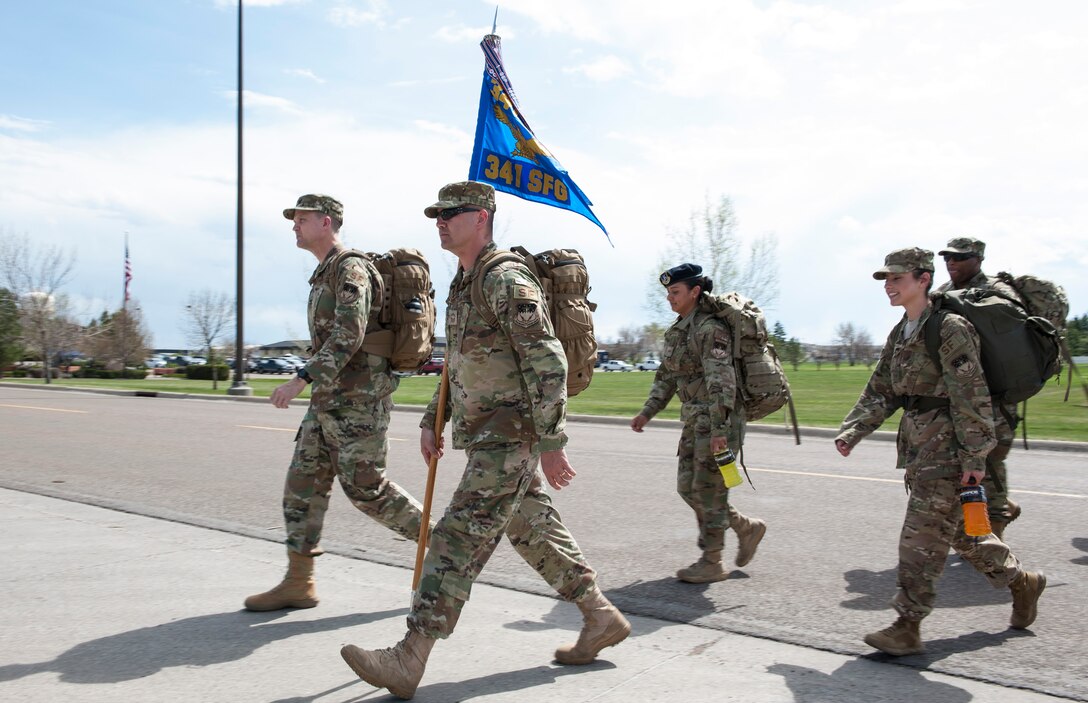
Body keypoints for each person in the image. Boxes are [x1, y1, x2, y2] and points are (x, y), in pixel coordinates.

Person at [340, 181, 629, 699]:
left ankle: (410, 656)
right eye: (437, 214)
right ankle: (599, 615)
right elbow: (460, 364)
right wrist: (434, 417)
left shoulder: (505, 278)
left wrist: (552, 439)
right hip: (488, 434)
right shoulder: (463, 281)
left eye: (452, 213)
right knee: (531, 528)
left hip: (511, 436)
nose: (441, 221)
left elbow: (547, 361)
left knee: (456, 539)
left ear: (483, 217)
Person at [835, 247, 1045, 656]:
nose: (890, 286)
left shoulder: (949, 328)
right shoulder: (902, 332)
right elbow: (883, 388)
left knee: (920, 538)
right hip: (919, 449)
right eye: (886, 280)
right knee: (963, 537)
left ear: (923, 279)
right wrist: (854, 430)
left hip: (949, 449)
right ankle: (1023, 583)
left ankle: (906, 625)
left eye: (897, 278)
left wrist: (973, 458)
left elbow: (972, 396)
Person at [243, 194, 428, 611]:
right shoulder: (324, 272)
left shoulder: (351, 268)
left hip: (359, 400)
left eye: (301, 219)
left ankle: (444, 549)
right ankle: (298, 581)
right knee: (302, 487)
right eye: (294, 219)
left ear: (326, 223)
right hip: (330, 400)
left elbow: (350, 334)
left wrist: (300, 379)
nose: (294, 225)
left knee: (367, 491)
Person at [630, 264, 766, 583]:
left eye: (675, 292)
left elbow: (722, 380)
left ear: (695, 292)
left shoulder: (709, 329)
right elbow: (667, 377)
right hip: (694, 419)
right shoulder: (678, 331)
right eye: (667, 293)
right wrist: (647, 411)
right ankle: (746, 527)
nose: (669, 298)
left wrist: (720, 428)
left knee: (709, 491)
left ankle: (712, 560)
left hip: (720, 420)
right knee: (687, 487)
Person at [936, 236, 1023, 540]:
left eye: (960, 257)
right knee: (960, 465)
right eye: (947, 257)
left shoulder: (998, 293)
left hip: (996, 397)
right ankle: (996, 512)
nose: (951, 263)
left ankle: (995, 541)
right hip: (957, 398)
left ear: (979, 259)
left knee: (992, 463)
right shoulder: (942, 295)